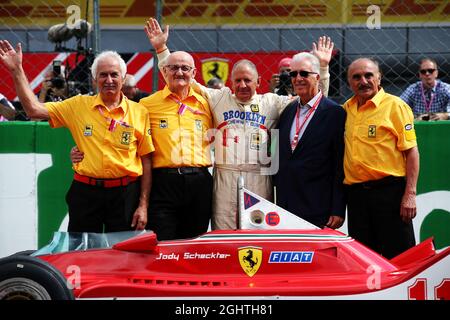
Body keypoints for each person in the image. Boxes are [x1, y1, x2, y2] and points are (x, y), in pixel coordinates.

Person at [145, 18, 334, 230]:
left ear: (259, 82)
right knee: (224, 235)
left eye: (247, 80)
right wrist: (162, 48)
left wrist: (323, 68)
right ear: (231, 82)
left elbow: (314, 101)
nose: (242, 85)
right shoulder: (218, 98)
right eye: (237, 81)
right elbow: (179, 78)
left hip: (259, 177)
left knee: (257, 233)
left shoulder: (273, 102)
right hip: (225, 176)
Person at [0, 40, 154, 233]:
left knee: (124, 254)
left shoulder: (140, 112)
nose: (109, 80)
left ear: (123, 78)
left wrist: (143, 205)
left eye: (114, 74)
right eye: (103, 75)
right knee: (83, 253)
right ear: (94, 79)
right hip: (85, 193)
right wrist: (17, 70)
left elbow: (146, 160)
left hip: (126, 194)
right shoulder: (78, 105)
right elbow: (33, 110)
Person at [344, 57, 419, 259]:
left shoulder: (396, 106)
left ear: (379, 77)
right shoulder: (346, 109)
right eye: (356, 77)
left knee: (400, 258)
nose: (363, 81)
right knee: (364, 260)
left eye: (369, 75)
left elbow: (411, 152)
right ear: (349, 82)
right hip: (357, 198)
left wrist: (410, 194)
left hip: (390, 195)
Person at [139, 51, 214, 241]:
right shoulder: (146, 105)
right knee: (163, 244)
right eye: (173, 68)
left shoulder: (207, 104)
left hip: (199, 183)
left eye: (185, 68)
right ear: (164, 71)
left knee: (194, 245)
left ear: (194, 73)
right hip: (163, 183)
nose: (179, 72)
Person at [274, 52, 346, 229]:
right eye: (293, 74)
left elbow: (340, 165)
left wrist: (338, 208)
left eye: (304, 74)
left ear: (317, 77)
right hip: (286, 207)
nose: (298, 78)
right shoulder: (288, 111)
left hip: (318, 207)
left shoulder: (335, 113)